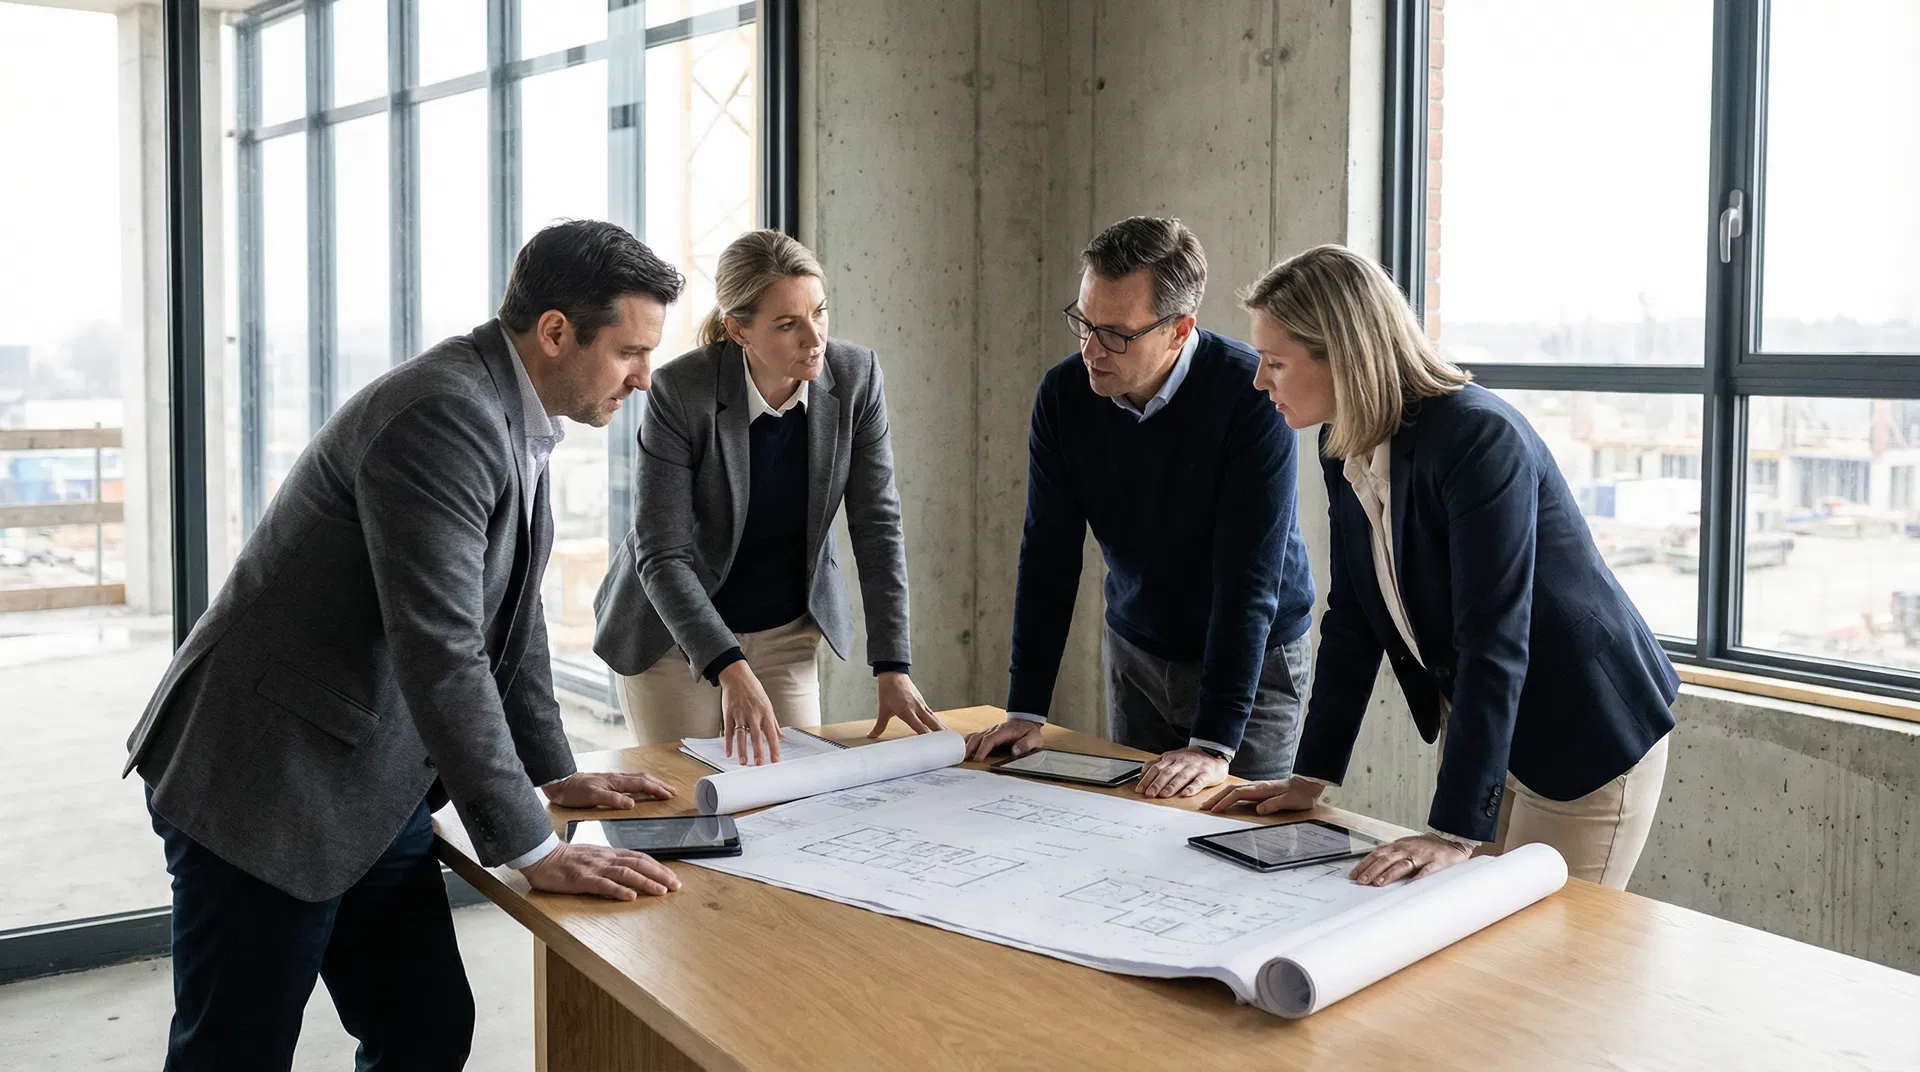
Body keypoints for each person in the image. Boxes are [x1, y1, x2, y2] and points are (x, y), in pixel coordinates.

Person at [125, 220, 692, 1071]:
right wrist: (534, 847)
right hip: (268, 781)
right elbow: (443, 649)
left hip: (371, 783)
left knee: (423, 1027)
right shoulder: (446, 415)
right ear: (555, 332)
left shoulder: (513, 415)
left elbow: (511, 615)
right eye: (631, 352)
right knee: (233, 1053)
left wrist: (554, 771)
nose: (646, 378)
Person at [1205, 243, 1678, 891]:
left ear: (1343, 356)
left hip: (1584, 728)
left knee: (1550, 959)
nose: (1259, 380)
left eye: (1276, 362)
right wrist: (1309, 777)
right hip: (1485, 724)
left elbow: (1494, 635)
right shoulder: (1341, 439)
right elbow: (1352, 621)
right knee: (1472, 938)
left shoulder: (1480, 438)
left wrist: (1453, 830)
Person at [964, 216, 1317, 799]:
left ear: (1180, 330)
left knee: (1230, 833)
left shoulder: (1249, 396)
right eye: (1084, 323)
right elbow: (1048, 554)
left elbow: (1249, 579)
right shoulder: (1063, 395)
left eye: (1116, 334)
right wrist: (1026, 708)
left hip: (1253, 661)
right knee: (1134, 826)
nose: (1091, 350)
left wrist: (1213, 745)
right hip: (1137, 650)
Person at [594, 229, 941, 764]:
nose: (814, 338)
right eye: (788, 324)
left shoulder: (856, 379)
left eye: (819, 313)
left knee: (795, 801)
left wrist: (893, 665)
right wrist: (729, 665)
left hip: (785, 632)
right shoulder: (681, 393)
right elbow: (662, 554)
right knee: (689, 803)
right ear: (738, 330)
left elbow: (877, 526)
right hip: (672, 636)